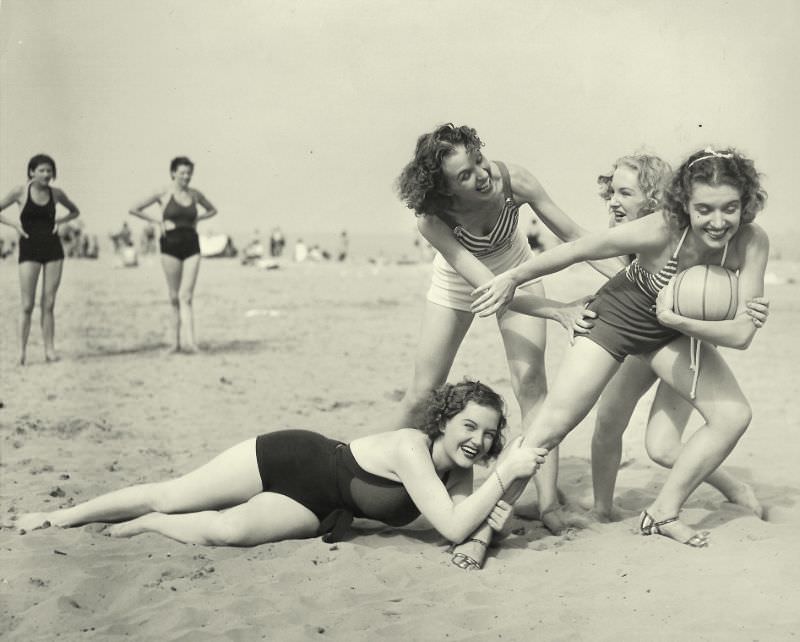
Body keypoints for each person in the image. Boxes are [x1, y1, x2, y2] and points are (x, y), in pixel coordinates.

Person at [472, 147, 769, 550]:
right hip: (616, 319)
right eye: (704, 209)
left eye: (730, 208)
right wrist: (512, 278)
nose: (718, 222)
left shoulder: (752, 242)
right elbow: (579, 248)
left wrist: (680, 321)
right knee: (550, 428)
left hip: (673, 329)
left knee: (733, 415)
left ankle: (664, 512)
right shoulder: (661, 228)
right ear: (685, 204)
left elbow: (742, 335)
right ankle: (481, 525)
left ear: (746, 202)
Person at [15, 380, 546, 549]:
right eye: (469, 427)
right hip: (295, 456)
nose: (478, 441)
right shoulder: (412, 447)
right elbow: (456, 524)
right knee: (174, 492)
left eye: (491, 435)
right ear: (446, 421)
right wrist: (510, 470)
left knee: (230, 532)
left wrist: (503, 495)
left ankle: (148, 526)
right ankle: (57, 518)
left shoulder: (460, 471)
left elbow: (467, 525)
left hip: (322, 507)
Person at [394, 123, 606, 537]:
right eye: (465, 175)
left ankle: (547, 503)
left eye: (478, 159)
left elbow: (579, 238)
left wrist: (637, 276)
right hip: (461, 281)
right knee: (423, 391)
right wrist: (559, 310)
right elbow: (486, 288)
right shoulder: (433, 220)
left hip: (517, 270)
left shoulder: (516, 181)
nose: (481, 173)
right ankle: (369, 476)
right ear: (445, 191)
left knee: (531, 383)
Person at [587, 154, 768, 522]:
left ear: (654, 199)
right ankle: (602, 509)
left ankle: (732, 488)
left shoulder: (685, 230)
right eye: (612, 192)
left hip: (686, 338)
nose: (614, 200)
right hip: (644, 331)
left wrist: (742, 311)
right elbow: (595, 254)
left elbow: (738, 318)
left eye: (625, 192)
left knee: (663, 448)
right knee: (609, 420)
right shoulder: (633, 233)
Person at [129, 157, 218, 354]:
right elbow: (134, 208)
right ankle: (175, 344)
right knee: (174, 297)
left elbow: (213, 210)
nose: (186, 176)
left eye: (189, 173)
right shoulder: (163, 193)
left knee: (186, 296)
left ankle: (192, 343)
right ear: (173, 173)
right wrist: (157, 222)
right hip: (170, 245)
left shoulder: (195, 194)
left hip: (192, 245)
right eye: (182, 172)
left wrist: (198, 218)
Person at [0, 154, 80, 364]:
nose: (46, 174)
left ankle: (49, 351)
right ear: (31, 172)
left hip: (53, 250)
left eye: (49, 170)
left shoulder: (56, 193)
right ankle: (21, 352)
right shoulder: (20, 191)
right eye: (42, 170)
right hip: (29, 250)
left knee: (49, 303)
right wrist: (14, 225)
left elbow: (75, 211)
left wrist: (60, 220)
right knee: (27, 304)